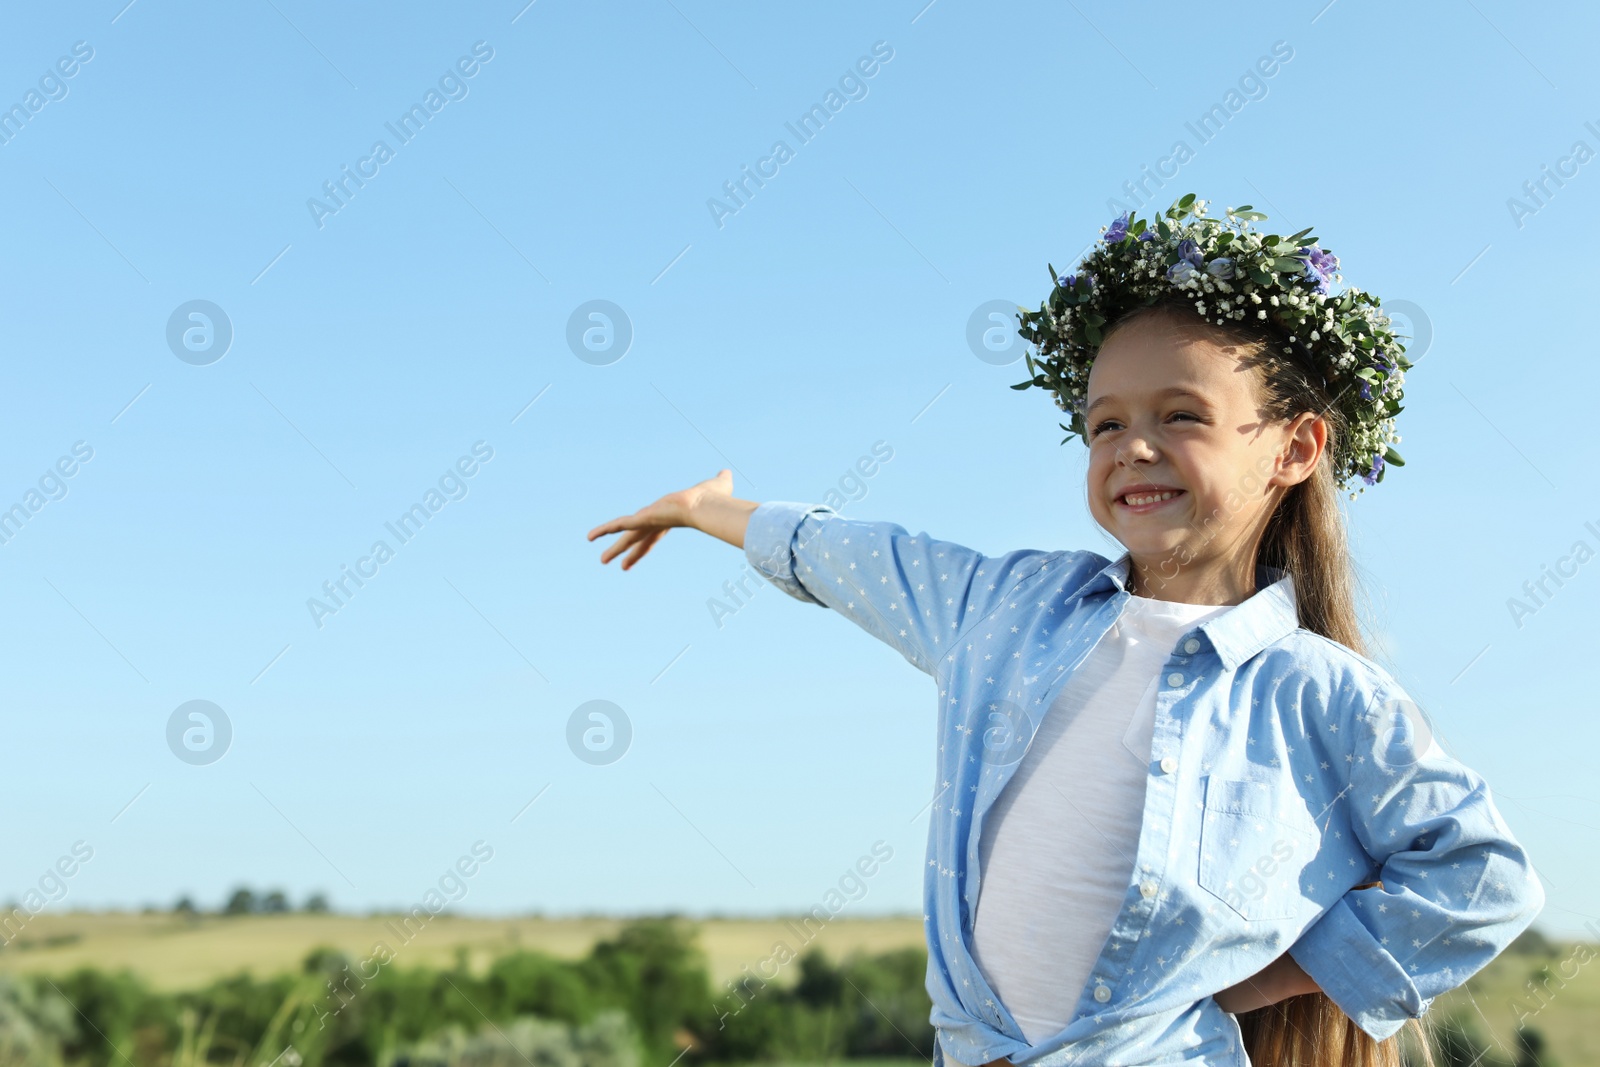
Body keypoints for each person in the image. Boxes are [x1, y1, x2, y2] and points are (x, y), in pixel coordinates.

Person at [586, 194, 1544, 1067]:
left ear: (1293, 447)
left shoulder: (1318, 688)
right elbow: (860, 557)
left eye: (1182, 415)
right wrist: (715, 511)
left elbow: (1484, 876)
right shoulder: (1006, 609)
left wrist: (1256, 983)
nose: (1133, 445)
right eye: (1104, 424)